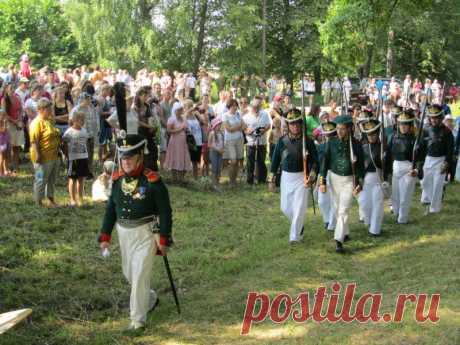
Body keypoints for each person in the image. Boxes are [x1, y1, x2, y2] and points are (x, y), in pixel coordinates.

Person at [98, 134, 173, 332]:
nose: (126, 161)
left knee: (139, 275)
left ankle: (137, 321)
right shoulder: (117, 181)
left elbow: (165, 212)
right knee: (131, 275)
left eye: (130, 157)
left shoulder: (153, 182)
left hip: (146, 233)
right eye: (123, 157)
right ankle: (150, 299)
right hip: (124, 234)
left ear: (140, 156)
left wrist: (164, 239)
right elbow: (111, 210)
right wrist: (105, 235)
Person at [269, 109, 319, 244]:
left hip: (302, 177)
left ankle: (295, 237)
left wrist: (312, 176)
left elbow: (315, 161)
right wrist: (271, 178)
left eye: (297, 124)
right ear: (289, 126)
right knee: (285, 208)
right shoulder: (282, 141)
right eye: (292, 124)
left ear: (301, 124)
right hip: (286, 177)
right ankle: (299, 226)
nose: (295, 127)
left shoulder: (308, 142)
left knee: (299, 208)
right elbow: (274, 161)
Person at [319, 115, 364, 253]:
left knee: (343, 209)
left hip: (349, 180)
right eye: (338, 128)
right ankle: (345, 231)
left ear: (349, 129)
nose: (339, 131)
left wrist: (359, 183)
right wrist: (322, 181)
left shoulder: (356, 144)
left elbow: (361, 166)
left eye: (343, 129)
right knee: (338, 207)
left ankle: (338, 240)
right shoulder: (331, 142)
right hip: (334, 179)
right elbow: (325, 162)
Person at [385, 110, 422, 224]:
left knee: (405, 195)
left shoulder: (415, 139)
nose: (403, 127)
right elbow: (388, 154)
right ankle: (396, 213)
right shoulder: (392, 137)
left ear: (410, 125)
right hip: (396, 166)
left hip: (408, 168)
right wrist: (386, 171)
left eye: (406, 124)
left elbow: (421, 157)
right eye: (401, 124)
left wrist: (416, 169)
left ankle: (402, 219)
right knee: (395, 194)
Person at [420, 104, 454, 214]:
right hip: (428, 159)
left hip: (441, 160)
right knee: (425, 182)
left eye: (436, 117)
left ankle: (434, 208)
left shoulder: (447, 132)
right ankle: (430, 199)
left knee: (438, 185)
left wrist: (447, 162)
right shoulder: (425, 129)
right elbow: (422, 145)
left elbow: (450, 150)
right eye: (431, 117)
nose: (433, 120)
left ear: (440, 117)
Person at [29, 98, 61, 207]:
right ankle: (38, 201)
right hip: (42, 157)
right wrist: (38, 155)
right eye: (49, 109)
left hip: (54, 155)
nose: (51, 111)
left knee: (52, 180)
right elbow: (34, 141)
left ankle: (51, 199)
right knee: (40, 179)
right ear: (41, 109)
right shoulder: (36, 123)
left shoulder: (49, 120)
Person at [359, 119, 387, 236]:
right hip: (365, 180)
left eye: (373, 134)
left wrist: (386, 179)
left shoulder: (383, 148)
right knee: (364, 204)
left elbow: (388, 166)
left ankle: (375, 230)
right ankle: (370, 222)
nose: (371, 136)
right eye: (368, 134)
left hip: (378, 179)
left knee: (377, 204)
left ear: (378, 133)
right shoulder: (363, 147)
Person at [63, 111, 90, 206]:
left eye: (83, 120)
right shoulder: (69, 132)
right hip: (73, 159)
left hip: (83, 158)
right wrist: (67, 155)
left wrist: (87, 156)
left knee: (81, 179)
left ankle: (80, 198)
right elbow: (64, 144)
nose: (82, 121)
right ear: (74, 120)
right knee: (72, 179)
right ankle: (72, 199)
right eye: (80, 119)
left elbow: (85, 142)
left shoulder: (84, 131)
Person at [315, 121, 337, 231]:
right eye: (326, 135)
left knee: (334, 200)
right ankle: (327, 219)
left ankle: (332, 224)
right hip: (322, 175)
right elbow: (316, 163)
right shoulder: (320, 147)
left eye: (331, 134)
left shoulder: (338, 146)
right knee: (322, 201)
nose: (328, 137)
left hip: (335, 174)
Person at [243, 98, 271, 185]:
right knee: (250, 162)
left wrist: (264, 130)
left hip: (262, 141)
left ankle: (261, 179)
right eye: (254, 107)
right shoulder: (246, 117)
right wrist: (248, 131)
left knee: (261, 161)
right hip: (250, 141)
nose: (256, 108)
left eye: (258, 107)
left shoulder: (265, 114)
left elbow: (268, 125)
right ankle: (250, 180)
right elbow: (243, 129)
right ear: (251, 107)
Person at [164, 102, 192, 183]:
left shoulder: (183, 118)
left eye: (181, 110)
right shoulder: (171, 119)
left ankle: (181, 178)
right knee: (175, 158)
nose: (180, 111)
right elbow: (168, 130)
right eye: (179, 110)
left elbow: (186, 127)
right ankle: (174, 178)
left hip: (183, 142)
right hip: (174, 142)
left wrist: (186, 129)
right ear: (175, 111)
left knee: (183, 158)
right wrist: (179, 129)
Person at [2, 82, 24, 173]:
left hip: (17, 123)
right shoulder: (4, 99)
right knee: (9, 147)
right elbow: (4, 114)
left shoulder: (17, 97)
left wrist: (19, 119)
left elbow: (21, 109)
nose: (12, 89)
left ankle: (16, 166)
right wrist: (14, 121)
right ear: (6, 89)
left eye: (13, 88)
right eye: (10, 88)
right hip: (9, 125)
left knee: (17, 146)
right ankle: (8, 166)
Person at [222, 99, 244, 187]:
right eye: (233, 105)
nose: (235, 107)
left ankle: (234, 180)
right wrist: (238, 126)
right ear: (229, 106)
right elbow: (228, 129)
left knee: (238, 160)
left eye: (236, 105)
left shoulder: (238, 114)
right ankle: (231, 181)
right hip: (230, 141)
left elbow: (244, 126)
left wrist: (236, 127)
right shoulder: (225, 115)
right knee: (233, 160)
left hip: (239, 139)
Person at [183, 99, 204, 179]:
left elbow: (203, 122)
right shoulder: (185, 115)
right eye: (189, 106)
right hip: (190, 142)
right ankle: (182, 177)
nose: (191, 108)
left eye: (191, 105)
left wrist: (198, 114)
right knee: (188, 160)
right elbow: (185, 115)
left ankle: (195, 178)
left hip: (198, 140)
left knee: (195, 161)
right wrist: (194, 107)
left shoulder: (195, 115)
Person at [208, 117, 225, 190]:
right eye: (218, 125)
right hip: (214, 152)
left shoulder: (221, 133)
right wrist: (217, 149)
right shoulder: (212, 133)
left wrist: (223, 149)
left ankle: (218, 183)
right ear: (214, 126)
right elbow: (209, 144)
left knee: (219, 168)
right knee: (214, 168)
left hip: (220, 152)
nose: (219, 126)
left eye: (220, 125)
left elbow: (222, 143)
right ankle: (213, 184)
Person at [0, 109, 10, 176]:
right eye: (2, 115)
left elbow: (6, 132)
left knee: (6, 157)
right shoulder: (2, 123)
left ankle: (5, 170)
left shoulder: (4, 122)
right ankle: (1, 172)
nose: (4, 116)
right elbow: (3, 130)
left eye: (4, 115)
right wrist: (5, 123)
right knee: (1, 158)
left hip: (5, 142)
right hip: (1, 143)